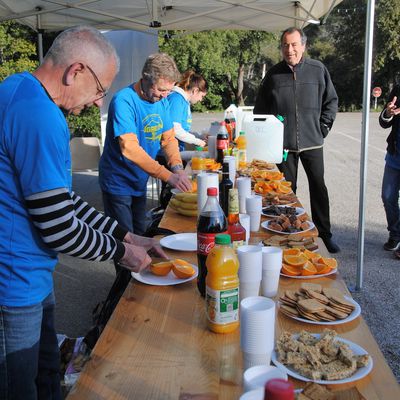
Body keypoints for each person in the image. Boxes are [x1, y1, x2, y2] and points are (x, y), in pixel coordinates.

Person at [0, 26, 167, 400]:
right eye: (99, 90)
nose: (97, 103)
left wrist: (127, 235)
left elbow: (65, 201)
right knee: (19, 389)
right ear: (75, 71)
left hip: (32, 281)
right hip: (12, 286)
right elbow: (59, 226)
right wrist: (123, 254)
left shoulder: (22, 92)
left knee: (46, 379)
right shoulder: (37, 114)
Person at [99, 53, 192, 272]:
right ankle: (123, 293)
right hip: (117, 183)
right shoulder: (124, 100)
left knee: (142, 234)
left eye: (168, 91)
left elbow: (168, 139)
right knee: (126, 242)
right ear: (145, 78)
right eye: (160, 90)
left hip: (138, 181)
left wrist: (177, 168)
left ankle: (143, 281)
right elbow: (129, 148)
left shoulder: (164, 101)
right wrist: (168, 175)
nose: (164, 96)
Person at [254, 27, 340, 253]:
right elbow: (260, 111)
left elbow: (331, 101)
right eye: (285, 45)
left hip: (313, 142)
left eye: (293, 45)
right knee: (285, 192)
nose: (289, 50)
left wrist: (323, 127)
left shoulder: (317, 69)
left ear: (303, 46)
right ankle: (285, 236)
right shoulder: (272, 75)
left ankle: (324, 234)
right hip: (283, 146)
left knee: (318, 188)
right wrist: (269, 137)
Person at [379, 85, 400, 255]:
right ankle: (395, 233)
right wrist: (388, 113)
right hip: (395, 155)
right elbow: (383, 121)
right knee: (388, 196)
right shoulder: (398, 89)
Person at [168, 70, 208, 150]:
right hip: (168, 153)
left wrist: (198, 136)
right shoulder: (176, 99)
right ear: (195, 91)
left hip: (178, 149)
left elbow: (183, 130)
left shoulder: (184, 101)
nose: (201, 100)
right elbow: (175, 129)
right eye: (202, 96)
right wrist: (196, 141)